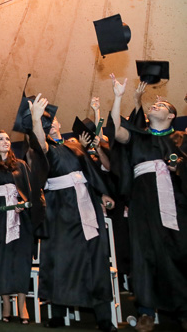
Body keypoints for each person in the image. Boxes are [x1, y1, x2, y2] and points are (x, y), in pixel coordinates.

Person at [28, 95, 116, 332]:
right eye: (49, 121)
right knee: (60, 259)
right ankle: (57, 314)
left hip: (85, 205)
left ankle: (103, 318)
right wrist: (36, 118)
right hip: (60, 210)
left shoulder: (75, 144)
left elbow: (91, 170)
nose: (53, 123)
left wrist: (102, 193)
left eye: (53, 120)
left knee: (94, 260)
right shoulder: (42, 148)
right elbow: (39, 141)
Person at [109, 76, 187, 332]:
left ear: (171, 116)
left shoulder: (180, 140)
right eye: (154, 104)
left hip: (174, 206)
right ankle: (146, 312)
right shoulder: (138, 136)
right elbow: (117, 128)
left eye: (162, 105)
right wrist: (119, 97)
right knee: (143, 255)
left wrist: (179, 167)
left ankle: (182, 309)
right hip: (142, 205)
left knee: (176, 253)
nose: (156, 104)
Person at [0, 131, 35, 324]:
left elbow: (29, 190)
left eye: (8, 139)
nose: (6, 141)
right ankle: (5, 304)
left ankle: (22, 304)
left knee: (20, 259)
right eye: (0, 139)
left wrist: (22, 203)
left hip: (19, 218)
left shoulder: (20, 165)